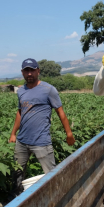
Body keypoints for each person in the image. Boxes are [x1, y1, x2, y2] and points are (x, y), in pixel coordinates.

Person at [8, 58, 75, 196]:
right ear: (22, 73)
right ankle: (16, 201)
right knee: (17, 175)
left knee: (51, 175)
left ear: (38, 71)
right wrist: (13, 133)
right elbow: (20, 112)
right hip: (22, 141)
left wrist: (69, 133)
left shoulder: (48, 90)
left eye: (32, 70)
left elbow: (60, 112)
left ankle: (58, 197)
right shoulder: (21, 91)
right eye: (26, 70)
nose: (29, 73)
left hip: (41, 141)